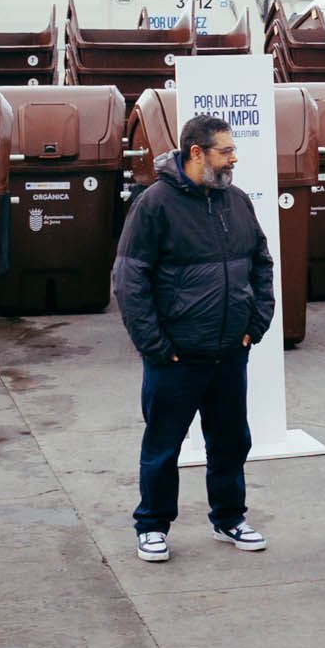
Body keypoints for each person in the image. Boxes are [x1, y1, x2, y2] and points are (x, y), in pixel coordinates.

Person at [113, 113, 275, 564]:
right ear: (196, 152)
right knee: (163, 445)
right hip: (176, 359)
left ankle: (229, 518)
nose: (234, 158)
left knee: (230, 441)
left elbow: (261, 263)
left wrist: (255, 324)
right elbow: (129, 280)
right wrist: (158, 348)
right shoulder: (154, 205)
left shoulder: (237, 201)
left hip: (229, 353)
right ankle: (151, 525)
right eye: (226, 151)